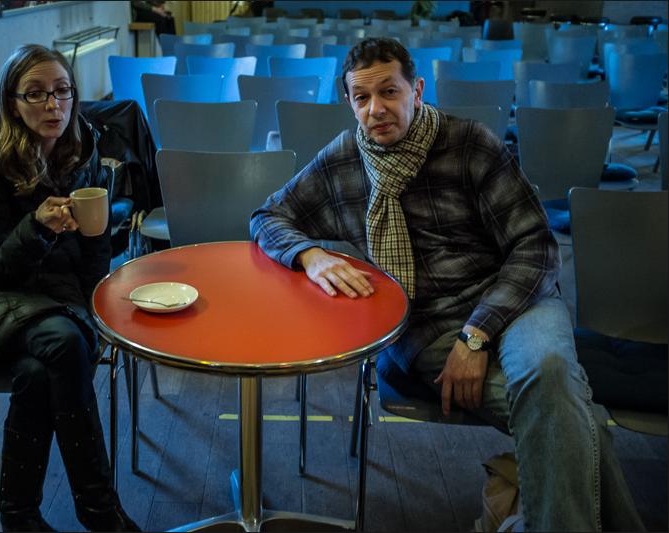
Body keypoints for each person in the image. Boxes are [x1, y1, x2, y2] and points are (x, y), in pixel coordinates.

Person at [250, 37, 645, 531]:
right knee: (566, 412)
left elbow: (537, 247)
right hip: (427, 325)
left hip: (518, 298)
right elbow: (267, 216)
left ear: (417, 90)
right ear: (348, 101)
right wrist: (310, 256)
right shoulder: (345, 158)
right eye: (362, 97)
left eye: (389, 92)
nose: (376, 110)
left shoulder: (470, 143)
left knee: (547, 373)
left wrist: (476, 335)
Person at [0, 44, 140, 532]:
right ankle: (100, 509)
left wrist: (93, 278)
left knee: (38, 369)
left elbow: (93, 260)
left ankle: (19, 516)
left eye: (63, 91)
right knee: (64, 342)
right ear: (11, 102)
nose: (53, 105)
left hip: (51, 295)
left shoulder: (83, 150)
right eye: (36, 94)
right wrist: (38, 228)